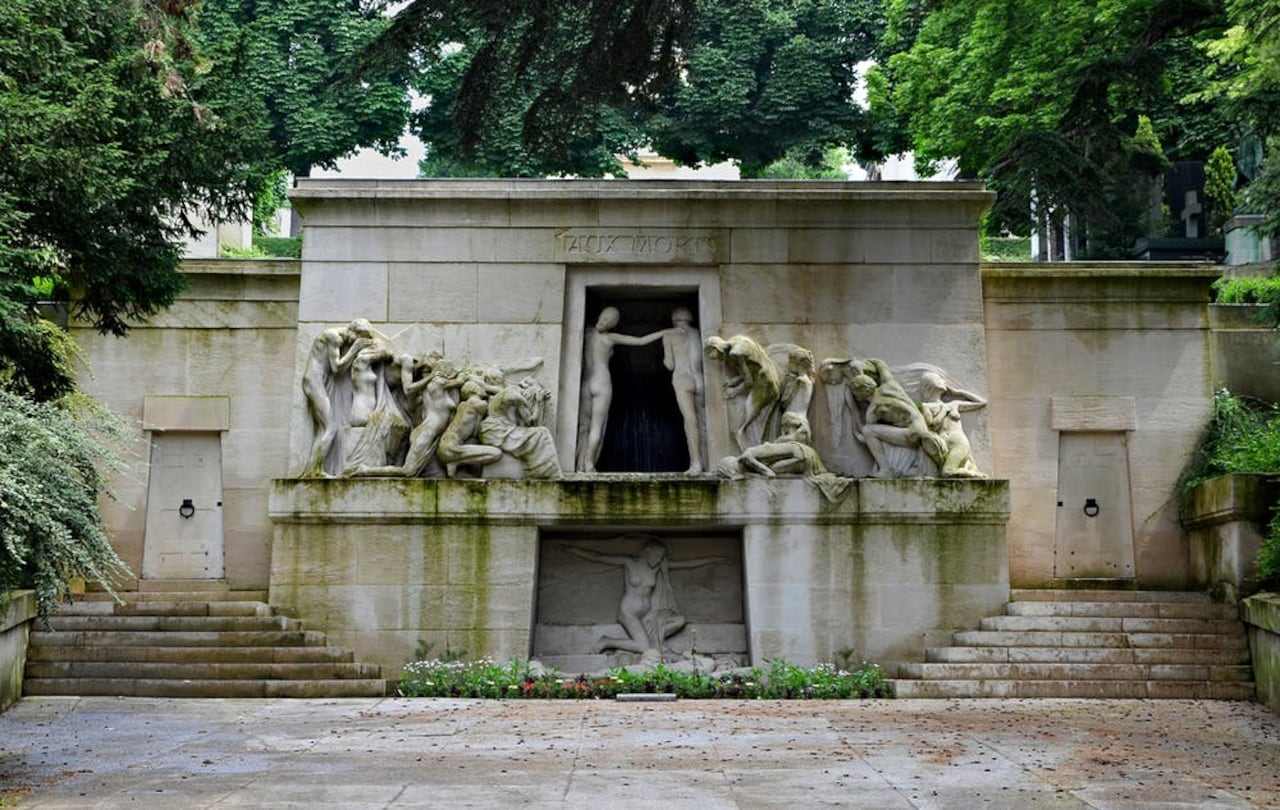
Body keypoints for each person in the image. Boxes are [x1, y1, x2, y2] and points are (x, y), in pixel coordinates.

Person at [564, 538, 728, 655]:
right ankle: (607, 641)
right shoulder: (630, 562)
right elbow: (600, 558)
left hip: (649, 614)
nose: (658, 560)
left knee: (680, 620)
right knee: (644, 648)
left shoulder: (658, 568)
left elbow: (687, 564)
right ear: (647, 552)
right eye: (656, 556)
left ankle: (654, 640)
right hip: (629, 612)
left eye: (661, 557)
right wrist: (573, 549)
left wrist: (715, 559)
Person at [578, 307, 665, 472]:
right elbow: (641, 341)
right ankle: (589, 464)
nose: (603, 322)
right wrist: (665, 332)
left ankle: (579, 463)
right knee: (597, 426)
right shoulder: (610, 338)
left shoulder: (586, 333)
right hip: (601, 381)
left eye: (606, 320)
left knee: (584, 425)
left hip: (586, 382)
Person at [301, 324, 369, 477]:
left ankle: (312, 470)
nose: (354, 342)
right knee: (330, 428)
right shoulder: (333, 336)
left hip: (317, 382)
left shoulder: (333, 336)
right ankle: (314, 471)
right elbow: (337, 367)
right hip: (314, 382)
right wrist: (355, 349)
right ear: (353, 332)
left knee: (326, 428)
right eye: (357, 338)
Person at [703, 334, 780, 452]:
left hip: (765, 384)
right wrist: (734, 381)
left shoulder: (735, 354)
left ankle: (753, 452)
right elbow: (749, 372)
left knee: (742, 426)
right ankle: (753, 451)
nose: (718, 360)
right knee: (748, 423)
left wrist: (735, 391)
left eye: (716, 357)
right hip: (767, 379)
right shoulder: (737, 340)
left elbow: (749, 381)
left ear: (717, 348)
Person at [918, 371, 987, 478]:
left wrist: (958, 393)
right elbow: (932, 425)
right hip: (940, 446)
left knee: (948, 470)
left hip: (959, 443)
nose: (943, 381)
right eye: (939, 379)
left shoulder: (954, 404)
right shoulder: (925, 406)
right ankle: (969, 473)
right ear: (930, 384)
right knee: (946, 470)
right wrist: (944, 411)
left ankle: (971, 473)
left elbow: (982, 403)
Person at [661, 307, 706, 473]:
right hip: (700, 378)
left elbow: (669, 364)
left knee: (690, 421)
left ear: (674, 319)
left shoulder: (669, 335)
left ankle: (696, 463)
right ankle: (708, 460)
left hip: (682, 378)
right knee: (703, 422)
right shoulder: (698, 333)